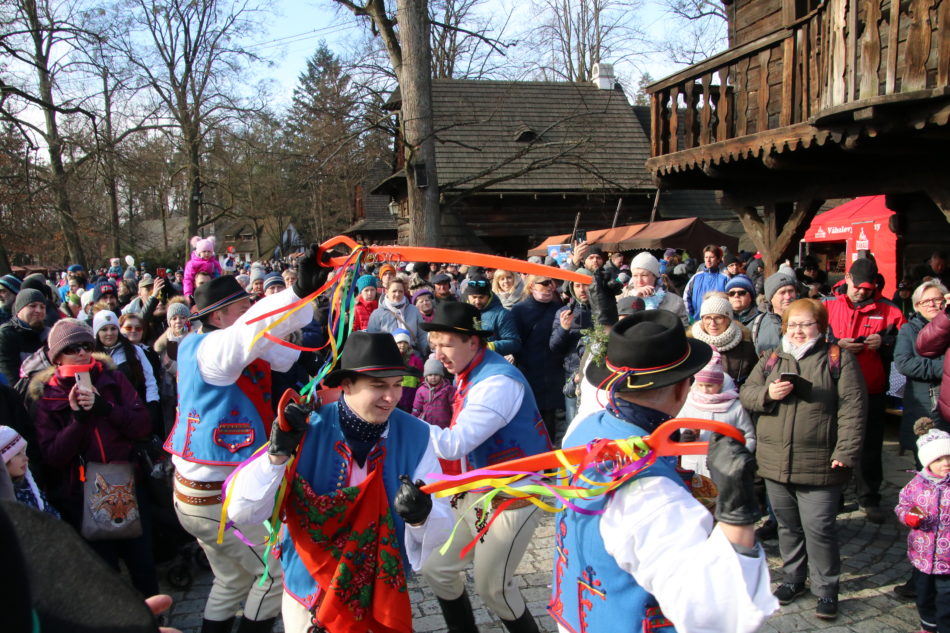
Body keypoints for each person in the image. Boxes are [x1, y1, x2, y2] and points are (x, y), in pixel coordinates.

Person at [550, 310, 777, 632]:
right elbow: (713, 612)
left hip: (578, 617)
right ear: (682, 388)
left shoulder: (583, 428)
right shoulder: (652, 493)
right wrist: (737, 514)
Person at [225, 331, 453, 633]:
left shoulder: (418, 436)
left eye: (397, 385)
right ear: (346, 384)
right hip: (309, 597)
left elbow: (442, 524)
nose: (391, 397)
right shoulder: (306, 428)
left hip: (379, 598)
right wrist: (276, 457)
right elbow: (243, 512)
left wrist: (421, 518)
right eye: (378, 386)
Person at [164, 249, 327, 633]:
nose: (250, 312)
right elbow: (252, 330)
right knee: (274, 573)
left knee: (232, 580)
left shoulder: (222, 345)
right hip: (214, 499)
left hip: (201, 494)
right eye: (242, 308)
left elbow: (281, 353)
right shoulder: (212, 348)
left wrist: (306, 298)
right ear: (218, 317)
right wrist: (296, 291)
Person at [421, 302, 552, 633]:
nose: (438, 354)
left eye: (446, 344)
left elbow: (455, 444)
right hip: (479, 490)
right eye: (434, 345)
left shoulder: (497, 383)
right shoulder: (470, 369)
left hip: (515, 494)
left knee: (494, 588)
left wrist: (397, 423)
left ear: (473, 342)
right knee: (437, 569)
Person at [740, 299, 867, 619]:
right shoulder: (771, 358)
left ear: (820, 327)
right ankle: (793, 579)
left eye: (806, 324)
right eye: (792, 325)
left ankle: (826, 590)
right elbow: (746, 394)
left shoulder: (838, 359)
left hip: (820, 462)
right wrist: (768, 394)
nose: (798, 331)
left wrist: (846, 451)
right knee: (788, 527)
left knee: (819, 529)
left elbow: (853, 409)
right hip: (775, 461)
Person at [32, 318, 158, 597]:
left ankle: (155, 614)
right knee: (104, 572)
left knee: (142, 562)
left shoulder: (113, 378)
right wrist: (78, 421)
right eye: (72, 348)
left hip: (126, 481)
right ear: (56, 356)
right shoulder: (48, 396)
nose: (81, 352)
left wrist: (107, 409)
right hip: (82, 492)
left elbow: (143, 426)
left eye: (86, 346)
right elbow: (53, 456)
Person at [826, 257, 905, 523]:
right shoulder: (828, 304)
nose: (861, 291)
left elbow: (905, 343)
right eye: (857, 286)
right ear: (847, 278)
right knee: (831, 442)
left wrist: (884, 341)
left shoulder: (890, 310)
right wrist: (836, 344)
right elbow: (810, 338)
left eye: (867, 288)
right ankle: (833, 497)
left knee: (870, 446)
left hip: (872, 387)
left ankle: (869, 497)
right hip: (834, 387)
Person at [896, 427, 950, 633]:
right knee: (924, 595)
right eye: (939, 459)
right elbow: (903, 506)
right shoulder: (917, 485)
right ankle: (928, 625)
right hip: (923, 556)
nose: (946, 463)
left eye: (949, 457)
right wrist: (909, 517)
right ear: (927, 462)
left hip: (948, 559)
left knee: (946, 598)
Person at [895, 281, 947, 462]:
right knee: (929, 463)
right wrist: (944, 368)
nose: (932, 304)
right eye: (925, 301)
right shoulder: (909, 330)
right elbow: (904, 363)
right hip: (925, 405)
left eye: (937, 299)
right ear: (917, 306)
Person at [511, 274, 565, 443]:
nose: (550, 286)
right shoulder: (519, 310)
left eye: (552, 283)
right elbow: (515, 342)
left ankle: (551, 456)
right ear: (532, 286)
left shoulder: (559, 308)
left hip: (554, 371)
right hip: (530, 371)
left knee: (552, 419)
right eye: (545, 283)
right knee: (533, 420)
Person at [550, 272, 593, 428]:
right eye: (577, 285)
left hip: (598, 374)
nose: (582, 289)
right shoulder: (564, 312)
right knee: (573, 422)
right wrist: (563, 329)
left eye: (585, 284)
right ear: (572, 288)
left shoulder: (603, 310)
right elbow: (554, 347)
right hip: (573, 375)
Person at [689, 293, 758, 386]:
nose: (713, 323)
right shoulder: (691, 346)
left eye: (718, 317)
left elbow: (752, 381)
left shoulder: (745, 346)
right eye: (708, 318)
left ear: (728, 319)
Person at [1, 425, 58, 516]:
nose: (26, 458)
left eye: (23, 452)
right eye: (17, 454)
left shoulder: (27, 488)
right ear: (3, 461)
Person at [461, 275, 522, 356]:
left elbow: (514, 343)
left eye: (481, 297)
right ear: (468, 296)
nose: (477, 301)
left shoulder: (502, 314)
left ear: (489, 296)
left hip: (490, 359)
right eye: (474, 297)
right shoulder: (462, 311)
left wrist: (490, 346)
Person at [623, 252, 688, 326]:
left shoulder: (675, 302)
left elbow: (683, 328)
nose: (639, 281)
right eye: (635, 276)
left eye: (644, 275)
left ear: (655, 276)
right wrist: (635, 300)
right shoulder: (623, 299)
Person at [367, 278, 427, 357]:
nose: (397, 294)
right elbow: (373, 340)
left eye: (400, 291)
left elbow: (422, 335)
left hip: (412, 356)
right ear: (386, 291)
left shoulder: (414, 310)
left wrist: (426, 355)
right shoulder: (377, 314)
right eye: (394, 291)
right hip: (388, 357)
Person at [0, 288, 49, 385]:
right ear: (19, 309)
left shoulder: (48, 333)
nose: (38, 310)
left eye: (42, 307)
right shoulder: (6, 334)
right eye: (32, 306)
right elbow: (9, 378)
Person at [751, 272, 798, 354]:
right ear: (771, 297)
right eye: (782, 292)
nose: (788, 296)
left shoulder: (809, 320)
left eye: (791, 291)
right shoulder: (757, 324)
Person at [683, 245, 730, 322]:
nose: (708, 260)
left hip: (718, 322)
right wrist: (691, 317)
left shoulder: (725, 278)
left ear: (718, 259)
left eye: (711, 257)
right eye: (706, 257)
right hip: (697, 321)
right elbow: (686, 297)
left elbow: (731, 300)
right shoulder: (696, 277)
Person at [412, 356, 455, 429]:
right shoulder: (421, 390)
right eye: (430, 375)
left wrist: (454, 422)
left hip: (444, 425)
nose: (433, 377)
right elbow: (416, 408)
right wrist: (413, 421)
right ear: (426, 376)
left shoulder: (448, 389)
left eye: (436, 374)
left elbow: (453, 407)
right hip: (426, 425)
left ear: (441, 375)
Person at [393, 328, 424, 412]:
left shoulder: (416, 360)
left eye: (405, 342)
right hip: (394, 395)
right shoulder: (391, 359)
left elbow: (421, 377)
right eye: (399, 342)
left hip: (411, 395)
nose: (402, 345)